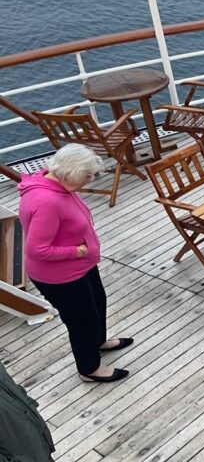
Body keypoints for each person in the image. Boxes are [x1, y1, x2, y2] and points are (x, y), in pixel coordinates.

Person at [17, 144, 133, 383]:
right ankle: (89, 369)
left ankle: (98, 342)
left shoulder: (56, 183)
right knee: (82, 322)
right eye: (87, 176)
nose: (89, 180)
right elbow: (36, 249)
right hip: (60, 276)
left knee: (97, 303)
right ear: (70, 173)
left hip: (81, 265)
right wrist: (77, 251)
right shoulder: (47, 201)